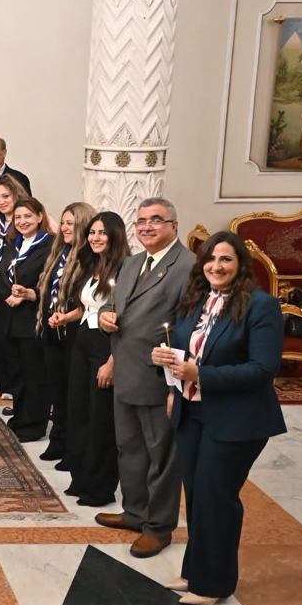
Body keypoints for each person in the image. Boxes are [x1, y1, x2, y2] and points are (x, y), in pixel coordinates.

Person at [151, 231, 286, 605]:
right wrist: (165, 367)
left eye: (226, 259)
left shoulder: (261, 306)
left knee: (217, 497)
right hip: (191, 411)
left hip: (237, 419)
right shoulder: (195, 300)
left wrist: (201, 376)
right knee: (196, 494)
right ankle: (197, 570)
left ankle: (214, 584)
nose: (216, 266)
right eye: (210, 259)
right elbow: (183, 350)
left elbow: (263, 369)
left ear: (241, 264)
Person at [97, 197, 196, 558]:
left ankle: (158, 526)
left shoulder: (187, 267)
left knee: (162, 457)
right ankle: (135, 511)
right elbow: (117, 305)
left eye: (156, 220)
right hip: (125, 371)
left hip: (158, 378)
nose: (146, 227)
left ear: (174, 225)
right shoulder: (132, 262)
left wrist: (177, 384)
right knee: (130, 449)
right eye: (140, 221)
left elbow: (189, 328)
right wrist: (107, 316)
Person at [58, 211, 129, 506]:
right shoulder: (91, 264)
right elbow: (88, 309)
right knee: (79, 412)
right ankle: (81, 477)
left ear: (114, 236)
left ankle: (99, 488)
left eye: (102, 233)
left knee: (101, 420)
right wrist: (65, 317)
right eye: (92, 232)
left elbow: (124, 320)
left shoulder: (125, 269)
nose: (95, 238)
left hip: (105, 348)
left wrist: (112, 362)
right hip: (82, 343)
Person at [39, 201, 96, 465]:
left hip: (75, 332)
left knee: (74, 395)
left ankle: (73, 449)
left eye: (70, 223)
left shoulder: (89, 257)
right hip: (54, 329)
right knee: (56, 389)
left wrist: (67, 317)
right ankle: (58, 440)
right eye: (62, 222)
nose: (64, 228)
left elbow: (91, 303)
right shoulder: (59, 251)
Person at [0, 198, 54, 441]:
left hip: (33, 319)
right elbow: (2, 276)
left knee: (34, 375)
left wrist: (30, 295)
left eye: (28, 216)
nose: (22, 222)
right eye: (18, 217)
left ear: (40, 216)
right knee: (16, 373)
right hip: (10, 319)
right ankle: (20, 416)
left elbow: (53, 285)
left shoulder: (50, 246)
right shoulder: (12, 243)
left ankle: (33, 424)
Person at [0, 175, 29, 402]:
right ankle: (7, 385)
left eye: (6, 196)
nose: (1, 201)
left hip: (20, 294)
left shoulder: (26, 222)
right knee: (1, 343)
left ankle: (18, 390)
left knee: (17, 348)